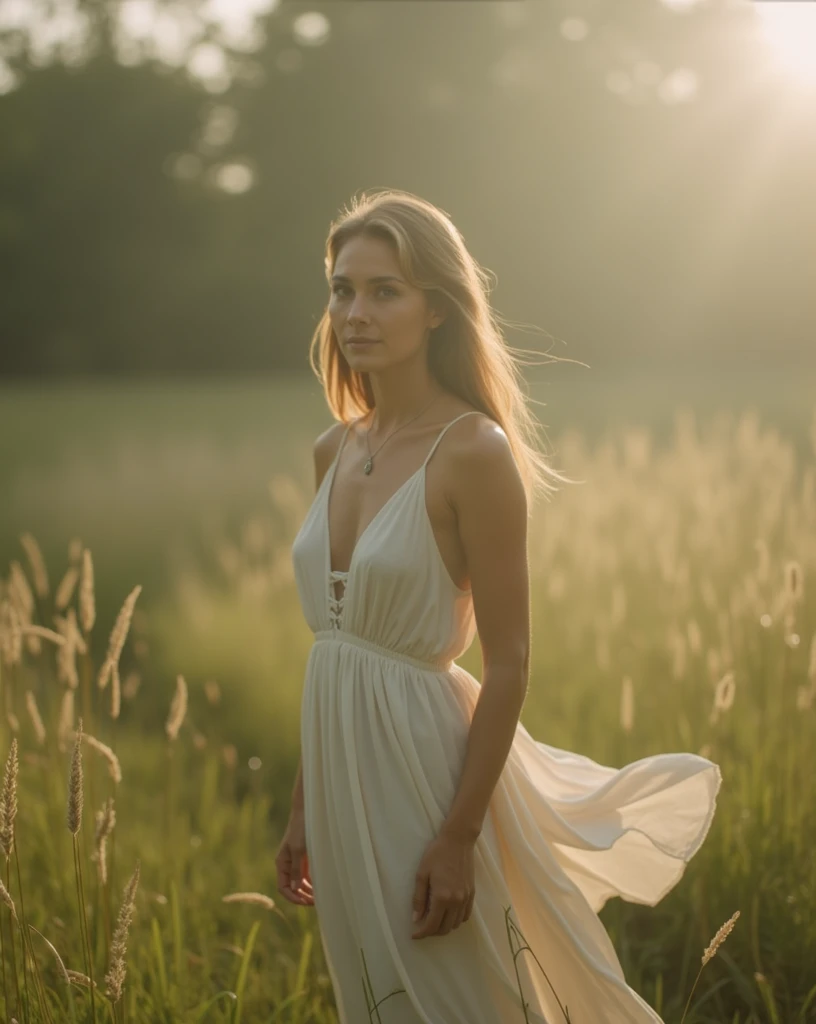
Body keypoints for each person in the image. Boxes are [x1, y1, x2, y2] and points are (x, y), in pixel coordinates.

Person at [275, 189, 721, 1023]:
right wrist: (304, 807)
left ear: (437, 309)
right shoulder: (333, 447)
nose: (355, 313)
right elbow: (334, 643)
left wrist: (458, 836)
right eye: (342, 290)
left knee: (453, 996)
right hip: (340, 772)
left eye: (384, 291)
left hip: (426, 770)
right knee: (372, 996)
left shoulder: (472, 451)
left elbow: (510, 664)